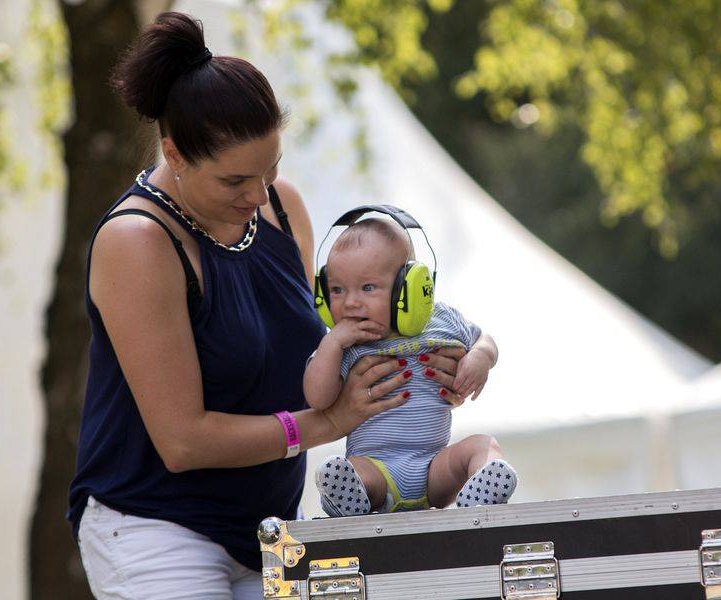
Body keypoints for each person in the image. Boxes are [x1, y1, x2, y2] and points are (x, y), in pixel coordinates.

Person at [65, 12, 467, 600]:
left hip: (271, 530)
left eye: (269, 169)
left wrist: (422, 361)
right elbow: (182, 441)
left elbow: (322, 355)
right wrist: (328, 424)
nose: (257, 195)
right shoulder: (137, 241)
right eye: (234, 182)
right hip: (151, 525)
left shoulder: (284, 208)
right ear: (174, 153)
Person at [304, 214, 517, 517]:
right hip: (377, 468)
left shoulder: (442, 320)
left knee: (481, 445)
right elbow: (317, 398)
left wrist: (480, 357)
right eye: (337, 290)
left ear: (410, 286)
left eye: (367, 288)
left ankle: (482, 491)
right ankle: (349, 495)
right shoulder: (344, 345)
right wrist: (331, 344)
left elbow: (484, 340)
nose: (350, 303)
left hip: (435, 468)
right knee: (352, 471)